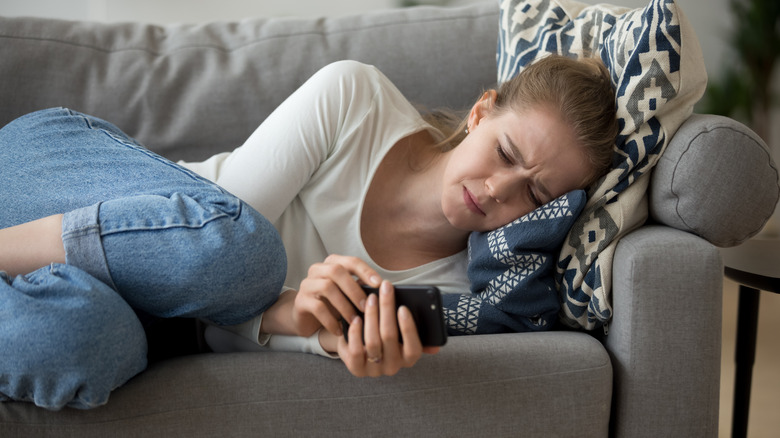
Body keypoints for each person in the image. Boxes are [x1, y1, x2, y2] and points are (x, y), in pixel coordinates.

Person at [0, 54, 618, 410]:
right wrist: (290, 309)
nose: (500, 189)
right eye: (506, 152)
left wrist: (322, 337)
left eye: (536, 196)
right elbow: (211, 242)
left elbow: (206, 322)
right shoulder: (357, 100)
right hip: (67, 181)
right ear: (481, 112)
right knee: (249, 251)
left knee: (79, 345)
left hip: (141, 320)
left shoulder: (453, 295)